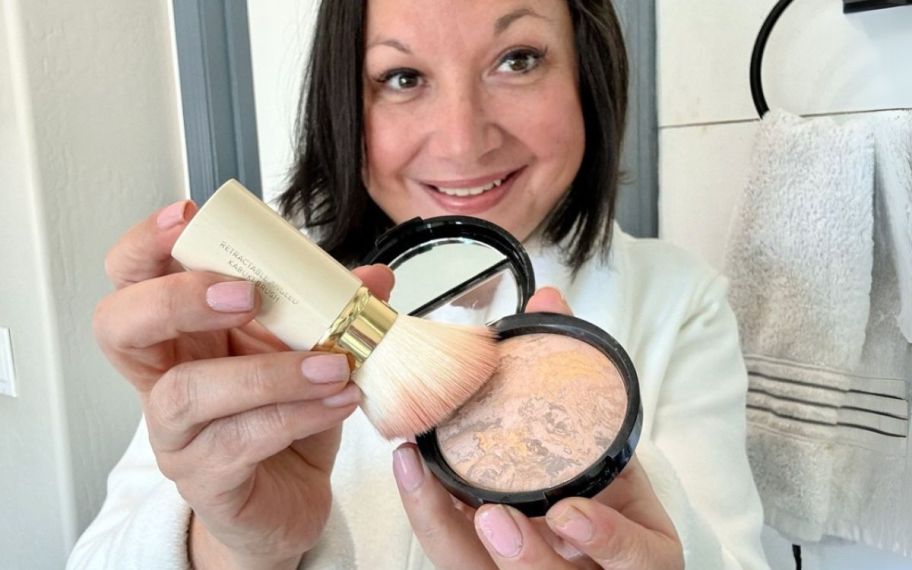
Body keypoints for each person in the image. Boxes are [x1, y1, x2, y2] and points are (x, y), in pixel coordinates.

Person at [70, 1, 770, 568]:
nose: (462, 141)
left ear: (588, 74)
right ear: (346, 100)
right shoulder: (256, 313)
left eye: (518, 59)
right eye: (403, 77)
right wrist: (237, 545)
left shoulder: (680, 300)